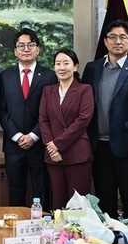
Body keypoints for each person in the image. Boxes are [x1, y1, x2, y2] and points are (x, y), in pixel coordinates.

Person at [82, 20, 128, 219]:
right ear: (105, 41)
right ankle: (108, 238)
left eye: (122, 37)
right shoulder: (92, 69)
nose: (117, 41)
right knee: (105, 200)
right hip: (98, 146)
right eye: (112, 37)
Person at [0, 28, 57, 207]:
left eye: (30, 45)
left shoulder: (50, 76)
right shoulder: (4, 76)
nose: (26, 49)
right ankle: (17, 222)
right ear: (15, 51)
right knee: (15, 191)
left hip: (40, 144)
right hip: (13, 145)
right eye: (21, 46)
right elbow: (0, 110)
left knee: (42, 189)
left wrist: (33, 135)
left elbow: (52, 111)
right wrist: (16, 136)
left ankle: (42, 223)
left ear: (38, 49)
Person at [39, 48, 95, 209]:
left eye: (66, 63)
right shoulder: (48, 91)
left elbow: (82, 121)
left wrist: (58, 144)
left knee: (77, 205)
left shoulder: (85, 89)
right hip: (53, 156)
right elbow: (43, 120)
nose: (62, 67)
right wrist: (51, 147)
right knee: (57, 203)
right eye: (58, 64)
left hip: (78, 154)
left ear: (75, 67)